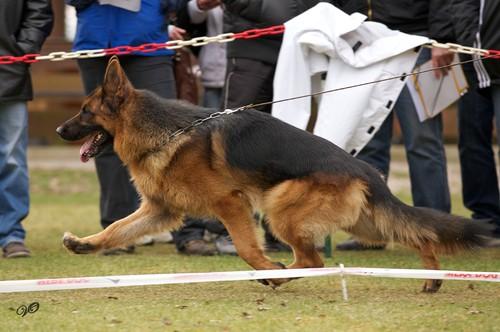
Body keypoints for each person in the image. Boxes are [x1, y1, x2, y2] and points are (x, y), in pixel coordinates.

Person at [335, 0, 455, 250]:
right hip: (364, 44)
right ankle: (372, 232)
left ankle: (435, 230)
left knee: (423, 141)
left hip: (416, 42)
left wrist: (442, 38)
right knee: (369, 142)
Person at [66, 0, 177, 254]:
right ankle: (114, 233)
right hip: (96, 39)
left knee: (173, 137)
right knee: (103, 137)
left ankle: (188, 231)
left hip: (149, 41)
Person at [221, 0, 330, 252]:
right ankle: (225, 231)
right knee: (231, 141)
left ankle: (280, 231)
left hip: (302, 49)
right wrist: (280, 13)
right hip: (253, 47)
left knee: (286, 143)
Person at [0, 0, 53, 258]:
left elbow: (39, 11)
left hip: (9, 71)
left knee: (12, 160)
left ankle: (11, 234)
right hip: (11, 68)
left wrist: (23, 49)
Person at [451, 0, 500, 239]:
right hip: (473, 62)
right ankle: (486, 220)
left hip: (495, 62)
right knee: (471, 143)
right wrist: (469, 39)